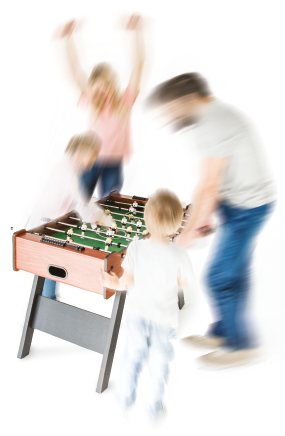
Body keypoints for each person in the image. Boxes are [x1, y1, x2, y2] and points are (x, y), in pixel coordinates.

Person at [147, 73, 277, 367]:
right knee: (234, 273)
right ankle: (223, 333)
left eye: (171, 109)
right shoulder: (211, 116)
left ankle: (240, 345)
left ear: (187, 100)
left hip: (249, 208)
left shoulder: (213, 122)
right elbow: (212, 185)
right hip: (238, 204)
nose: (170, 117)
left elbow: (208, 185)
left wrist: (186, 234)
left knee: (219, 277)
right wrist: (200, 219)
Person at [99, 189, 193, 421]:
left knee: (131, 358)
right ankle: (152, 409)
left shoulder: (136, 247)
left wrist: (113, 281)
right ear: (177, 224)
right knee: (159, 366)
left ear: (146, 220)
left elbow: (126, 282)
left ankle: (123, 401)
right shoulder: (180, 254)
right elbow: (183, 284)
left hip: (137, 317)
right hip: (164, 320)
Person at [59, 14, 145, 200]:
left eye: (104, 87)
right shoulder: (90, 101)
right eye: (96, 88)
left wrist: (136, 32)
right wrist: (68, 39)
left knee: (110, 203)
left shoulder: (125, 101)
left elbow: (138, 65)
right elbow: (74, 70)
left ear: (111, 85)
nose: (100, 92)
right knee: (80, 203)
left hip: (114, 161)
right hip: (90, 160)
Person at [28, 132, 114, 300]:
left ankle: (46, 301)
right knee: (51, 266)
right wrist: (101, 219)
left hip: (47, 221)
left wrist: (97, 217)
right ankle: (48, 302)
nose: (94, 160)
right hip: (47, 224)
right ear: (82, 150)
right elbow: (81, 203)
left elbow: (79, 201)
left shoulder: (67, 165)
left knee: (49, 267)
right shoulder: (69, 172)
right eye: (93, 155)